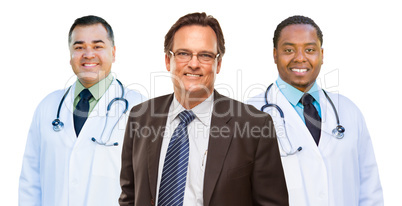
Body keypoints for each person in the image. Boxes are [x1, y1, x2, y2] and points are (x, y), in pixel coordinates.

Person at [119, 12, 288, 206]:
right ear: (168, 60)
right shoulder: (140, 117)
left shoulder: (255, 125)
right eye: (183, 53)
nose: (193, 64)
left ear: (218, 64)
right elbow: (129, 196)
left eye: (205, 55)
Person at [247, 15, 383, 206]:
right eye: (289, 50)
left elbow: (370, 191)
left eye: (310, 50)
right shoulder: (248, 114)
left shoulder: (349, 112)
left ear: (322, 54)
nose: (300, 58)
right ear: (275, 54)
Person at [18, 15, 146, 206]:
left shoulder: (139, 108)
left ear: (113, 52)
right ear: (70, 55)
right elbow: (30, 182)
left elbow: (149, 183)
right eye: (79, 47)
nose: (88, 54)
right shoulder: (48, 107)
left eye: (97, 46)